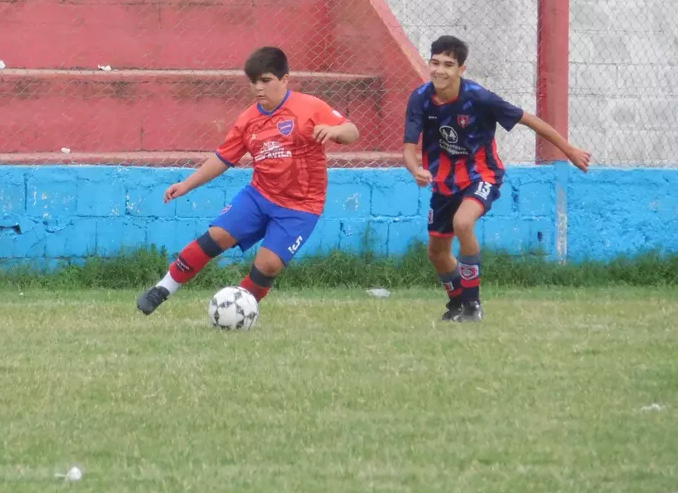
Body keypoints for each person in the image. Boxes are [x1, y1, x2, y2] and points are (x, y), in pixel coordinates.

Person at [137, 46, 360, 315]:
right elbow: (222, 159)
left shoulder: (309, 107)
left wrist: (335, 129)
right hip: (259, 196)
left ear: (285, 80)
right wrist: (187, 184)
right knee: (217, 236)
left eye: (266, 80)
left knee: (269, 265)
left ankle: (237, 311)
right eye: (253, 82)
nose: (259, 88)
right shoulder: (248, 120)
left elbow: (352, 131)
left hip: (301, 206)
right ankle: (162, 289)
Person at [403, 35, 591, 323]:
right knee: (437, 252)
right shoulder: (420, 98)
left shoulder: (479, 98)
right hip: (442, 182)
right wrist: (415, 169)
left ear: (461, 70)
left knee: (463, 223)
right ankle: (457, 305)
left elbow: (529, 120)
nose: (440, 70)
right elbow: (407, 148)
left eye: (448, 65)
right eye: (435, 63)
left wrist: (568, 149)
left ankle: (473, 305)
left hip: (482, 174)